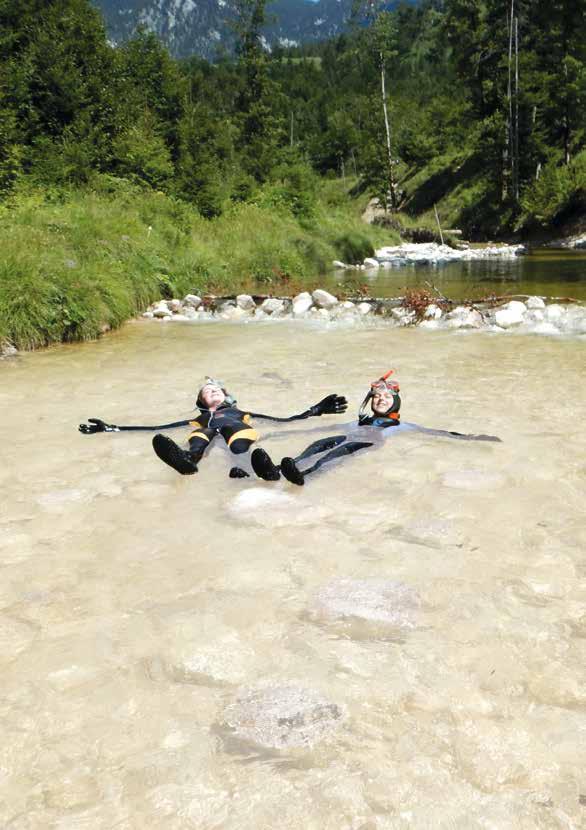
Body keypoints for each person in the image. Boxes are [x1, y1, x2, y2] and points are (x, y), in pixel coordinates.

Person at [251, 370, 501, 486]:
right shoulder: (356, 422)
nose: (380, 400)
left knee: (337, 452)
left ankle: (304, 476)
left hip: (365, 443)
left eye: (386, 398)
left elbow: (438, 434)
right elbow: (313, 432)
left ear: (396, 402)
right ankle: (276, 471)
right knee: (318, 444)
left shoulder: (402, 425)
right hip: (348, 435)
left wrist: (475, 438)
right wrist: (281, 432)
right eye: (377, 398)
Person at [78, 378, 347, 477]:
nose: (213, 392)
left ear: (226, 396)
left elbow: (283, 421)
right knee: (200, 434)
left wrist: (315, 411)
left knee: (238, 439)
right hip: (204, 431)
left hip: (239, 432)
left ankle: (263, 469)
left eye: (217, 389)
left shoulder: (241, 412)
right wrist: (110, 428)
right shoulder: (198, 419)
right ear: (201, 401)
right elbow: (154, 428)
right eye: (208, 391)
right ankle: (188, 461)